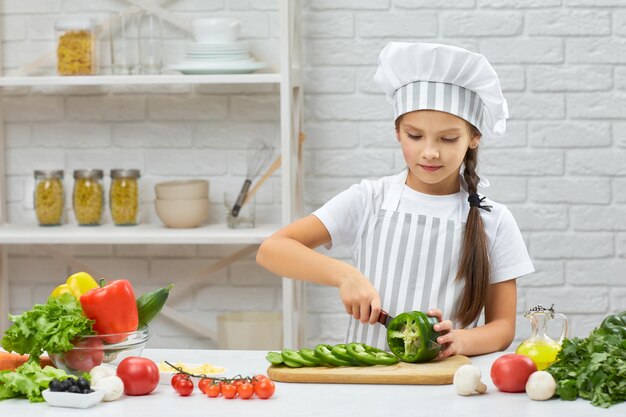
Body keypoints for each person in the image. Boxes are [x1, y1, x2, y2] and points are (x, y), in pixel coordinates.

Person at [256, 42, 534, 359]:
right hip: (366, 380)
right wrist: (345, 276)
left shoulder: (493, 220)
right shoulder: (369, 199)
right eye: (415, 136)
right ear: (397, 132)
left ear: (474, 138)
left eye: (448, 138)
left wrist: (460, 341)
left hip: (443, 384)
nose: (430, 151)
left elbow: (502, 328)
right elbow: (272, 250)